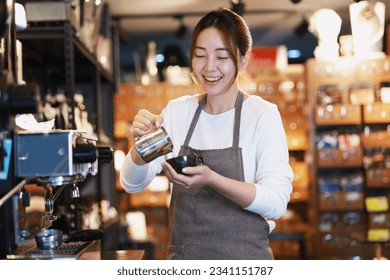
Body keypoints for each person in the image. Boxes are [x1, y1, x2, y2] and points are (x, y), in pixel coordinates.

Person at [120, 7, 293, 260]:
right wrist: (140, 146)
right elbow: (131, 183)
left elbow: (277, 201)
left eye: (222, 57)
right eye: (200, 55)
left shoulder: (261, 115)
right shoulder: (178, 113)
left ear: (243, 59)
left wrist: (213, 179)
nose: (209, 67)